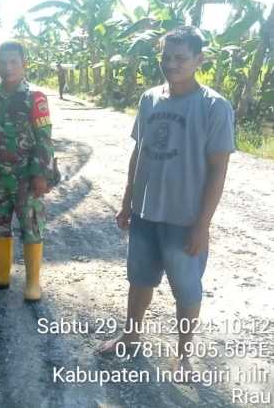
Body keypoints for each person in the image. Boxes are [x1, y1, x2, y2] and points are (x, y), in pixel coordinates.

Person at [96, 26, 235, 377]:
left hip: (184, 219)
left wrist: (202, 225)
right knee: (139, 279)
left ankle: (185, 356)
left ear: (199, 60)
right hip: (145, 212)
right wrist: (128, 200)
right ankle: (130, 336)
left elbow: (219, 169)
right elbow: (138, 152)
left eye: (180, 58)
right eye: (166, 57)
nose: (171, 64)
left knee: (186, 289)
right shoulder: (149, 99)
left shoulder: (214, 107)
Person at [0, 41, 57, 301]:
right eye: (2, 62)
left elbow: (44, 138)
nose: (7, 67)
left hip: (26, 176)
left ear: (24, 64)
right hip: (0, 174)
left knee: (31, 226)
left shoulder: (35, 97)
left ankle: (33, 284)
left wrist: (41, 174)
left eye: (13, 62)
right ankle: (0, 275)